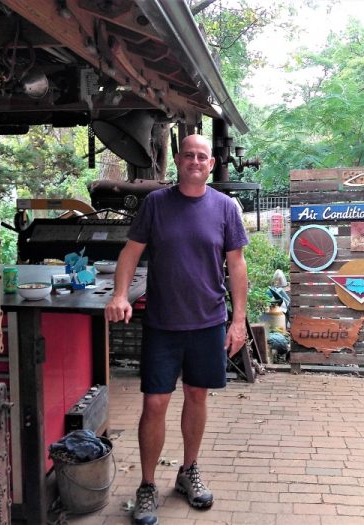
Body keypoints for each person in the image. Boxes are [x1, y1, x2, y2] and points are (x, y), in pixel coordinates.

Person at [105, 133, 249, 525]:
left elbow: (236, 265)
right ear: (179, 160)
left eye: (202, 157)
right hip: (163, 323)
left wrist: (238, 321)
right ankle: (147, 485)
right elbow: (130, 253)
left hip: (208, 321)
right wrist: (119, 295)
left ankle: (188, 471)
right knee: (155, 403)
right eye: (189, 155)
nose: (195, 162)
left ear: (211, 164)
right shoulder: (156, 203)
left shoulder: (224, 207)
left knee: (197, 396)